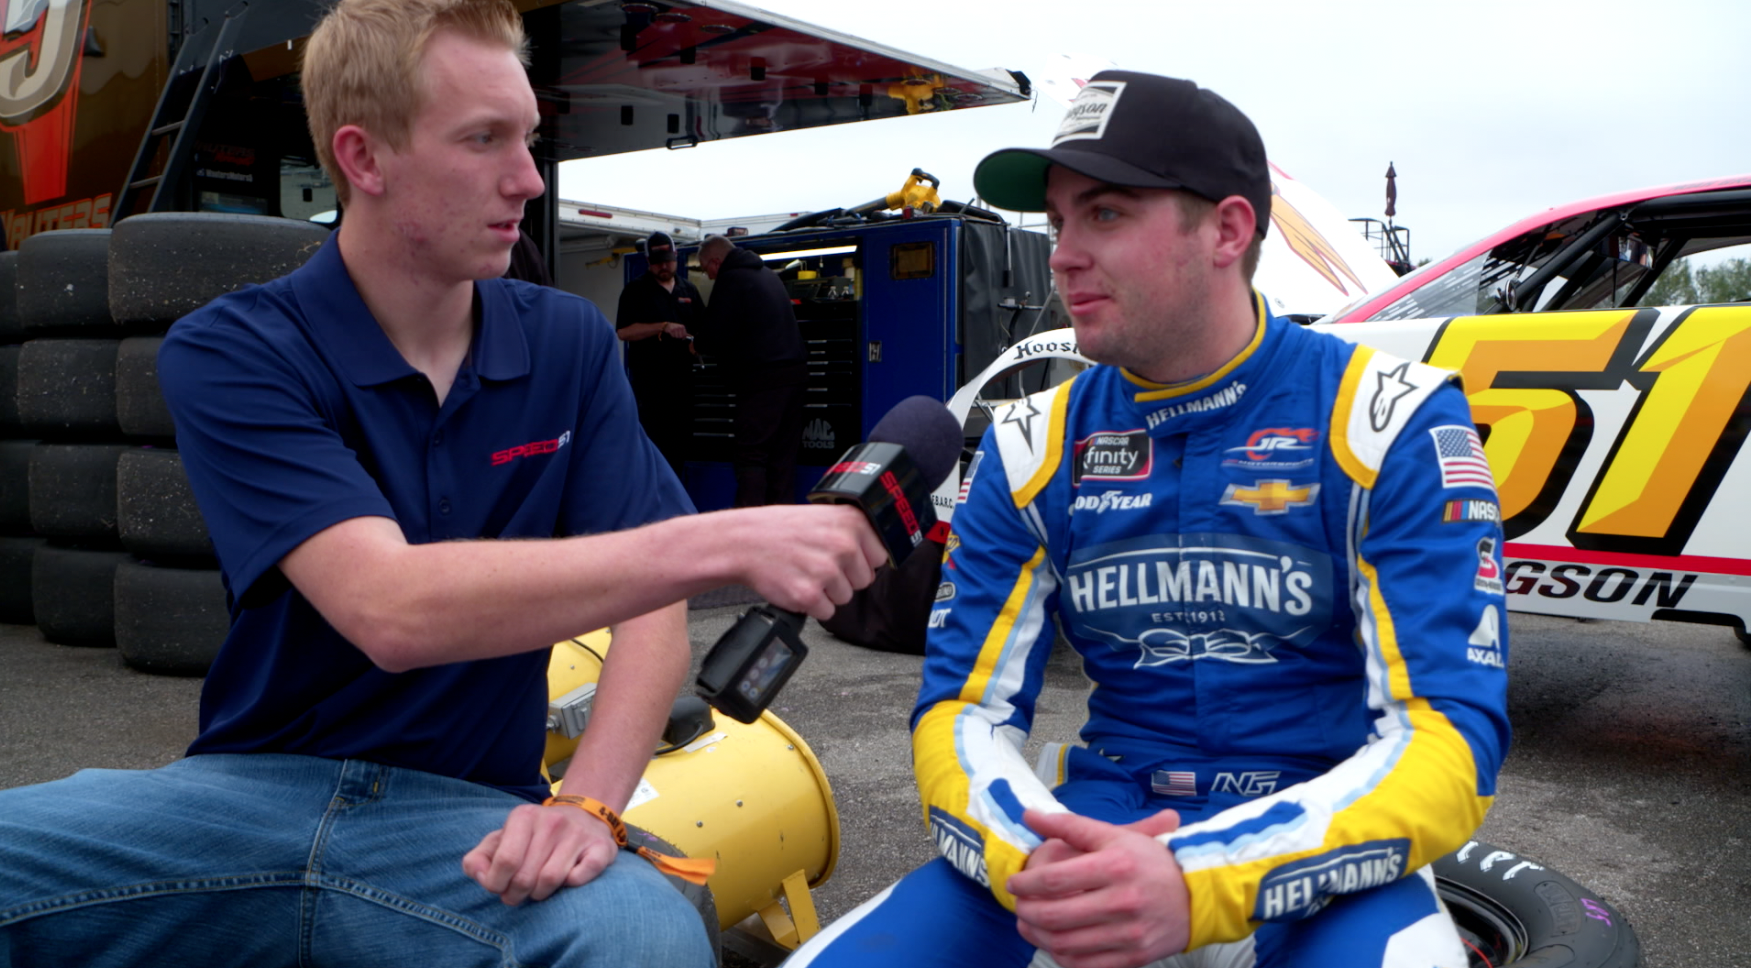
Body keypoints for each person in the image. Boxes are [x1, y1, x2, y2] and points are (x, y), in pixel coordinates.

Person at [0, 2, 885, 966]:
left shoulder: (566, 344)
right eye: (483, 141)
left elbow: (652, 616)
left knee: (642, 935)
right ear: (364, 159)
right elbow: (390, 611)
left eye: (528, 140)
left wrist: (588, 803)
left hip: (468, 824)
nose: (527, 178)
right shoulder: (235, 349)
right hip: (246, 797)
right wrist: (723, 540)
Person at [788, 71, 1510, 968]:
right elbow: (960, 712)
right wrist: (1032, 860)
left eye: (1105, 214)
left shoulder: (1389, 420)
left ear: (1227, 229)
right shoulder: (1030, 443)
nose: (1059, 254)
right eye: (1057, 223)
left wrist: (1194, 880)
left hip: (1319, 859)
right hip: (1089, 832)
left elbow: (1447, 738)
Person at [691, 233, 808, 507]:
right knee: (782, 460)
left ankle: (748, 532)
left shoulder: (732, 280)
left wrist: (696, 344)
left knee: (751, 457)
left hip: (763, 383)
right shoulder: (766, 274)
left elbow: (714, 334)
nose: (707, 276)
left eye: (706, 268)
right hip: (795, 378)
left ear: (716, 262)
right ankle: (782, 530)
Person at [615, 230, 703, 478]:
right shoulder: (636, 290)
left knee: (681, 449)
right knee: (653, 450)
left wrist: (699, 344)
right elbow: (623, 331)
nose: (664, 266)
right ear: (648, 263)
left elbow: (703, 329)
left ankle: (677, 501)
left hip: (684, 385)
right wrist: (661, 326)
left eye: (668, 260)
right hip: (651, 389)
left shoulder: (689, 290)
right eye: (658, 262)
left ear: (676, 257)